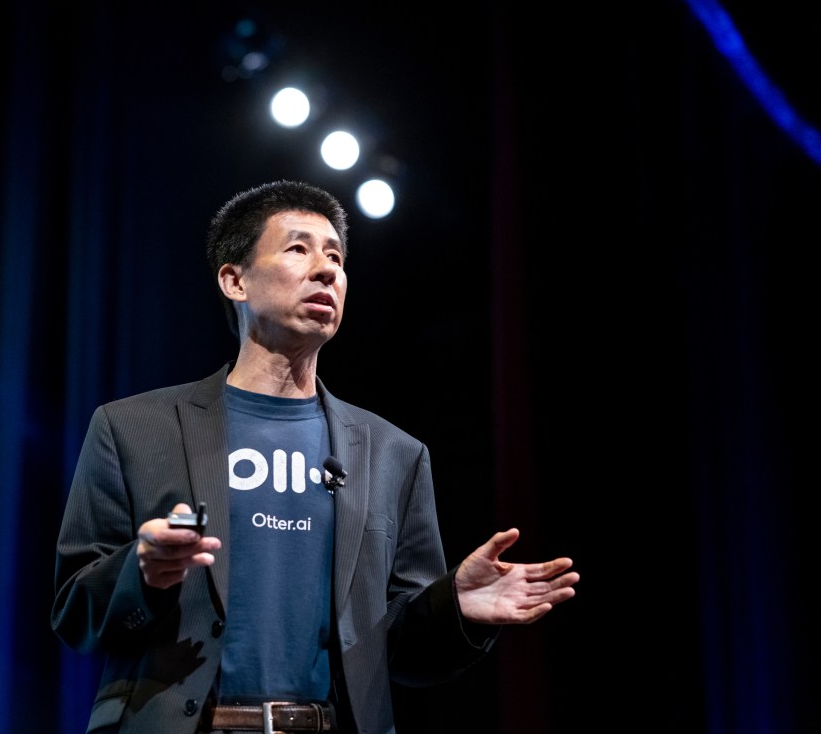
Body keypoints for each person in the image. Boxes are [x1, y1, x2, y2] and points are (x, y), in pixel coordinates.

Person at [51, 179, 579, 734]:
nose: (326, 270)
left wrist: (455, 609)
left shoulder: (394, 454)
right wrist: (141, 571)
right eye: (299, 249)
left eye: (336, 257)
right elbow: (73, 613)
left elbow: (400, 654)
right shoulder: (133, 428)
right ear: (234, 280)